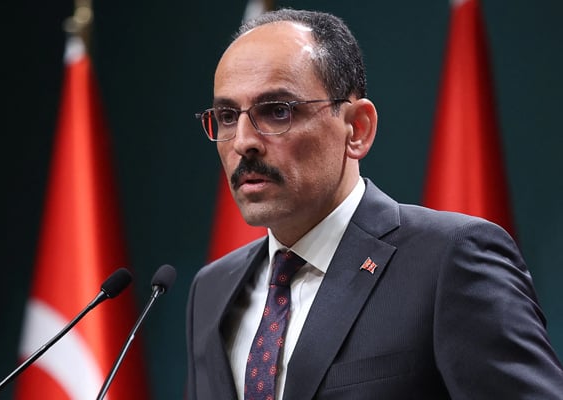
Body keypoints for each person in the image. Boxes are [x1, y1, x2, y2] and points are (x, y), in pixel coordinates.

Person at [185, 8, 563, 400]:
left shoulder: (449, 261)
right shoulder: (211, 289)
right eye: (227, 116)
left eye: (278, 111)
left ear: (357, 129)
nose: (243, 141)